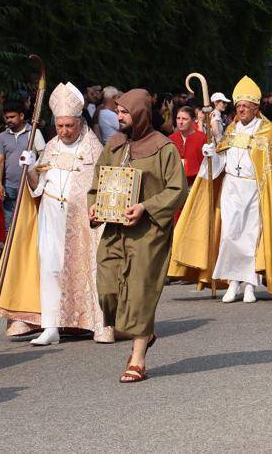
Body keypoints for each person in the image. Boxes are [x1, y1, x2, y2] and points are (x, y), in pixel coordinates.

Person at [0, 84, 114, 345]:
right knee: (50, 269)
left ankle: (96, 322)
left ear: (79, 122)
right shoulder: (51, 147)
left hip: (84, 223)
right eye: (60, 126)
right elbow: (37, 187)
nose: (64, 131)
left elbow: (103, 186)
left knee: (89, 269)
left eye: (69, 126)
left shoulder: (94, 150)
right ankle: (51, 326)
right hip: (52, 218)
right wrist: (30, 167)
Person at [168, 76, 272, 304]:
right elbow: (219, 165)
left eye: (245, 106)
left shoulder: (267, 132)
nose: (241, 110)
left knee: (251, 236)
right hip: (231, 188)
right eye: (239, 106)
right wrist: (211, 154)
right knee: (230, 235)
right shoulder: (230, 131)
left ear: (255, 108)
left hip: (255, 189)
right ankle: (233, 282)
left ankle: (250, 284)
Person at [89, 89, 188, 383]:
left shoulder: (164, 148)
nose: (119, 117)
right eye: (118, 112)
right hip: (114, 228)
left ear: (141, 114)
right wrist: (93, 206)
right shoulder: (115, 144)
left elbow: (177, 190)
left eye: (124, 112)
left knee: (141, 293)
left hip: (148, 233)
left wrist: (146, 207)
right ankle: (144, 328)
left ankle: (138, 358)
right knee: (107, 287)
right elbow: (97, 182)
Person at [0, 101, 46, 234]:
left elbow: (44, 158)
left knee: (28, 224)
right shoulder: (2, 136)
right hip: (9, 186)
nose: (9, 120)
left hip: (29, 187)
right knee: (9, 224)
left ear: (21, 116)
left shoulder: (34, 133)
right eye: (7, 118)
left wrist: (39, 182)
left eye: (12, 117)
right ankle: (9, 254)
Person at [168, 105, 206, 185]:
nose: (180, 122)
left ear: (193, 120)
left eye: (184, 119)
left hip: (196, 184)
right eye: (178, 118)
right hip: (175, 182)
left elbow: (206, 165)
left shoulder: (201, 138)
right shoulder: (171, 139)